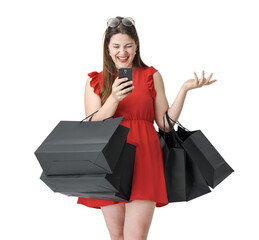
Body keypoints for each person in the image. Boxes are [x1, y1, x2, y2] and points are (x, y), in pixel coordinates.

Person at [77, 16, 217, 240]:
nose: (122, 52)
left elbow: (164, 124)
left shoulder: (151, 75)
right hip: (109, 159)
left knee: (136, 236)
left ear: (136, 47)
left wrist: (184, 90)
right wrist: (113, 98)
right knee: (117, 236)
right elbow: (91, 124)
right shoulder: (97, 80)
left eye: (128, 46)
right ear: (107, 48)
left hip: (144, 156)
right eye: (116, 46)